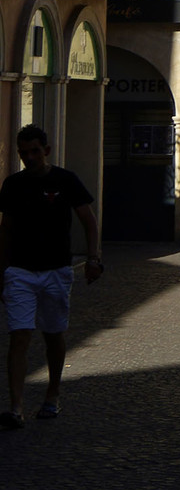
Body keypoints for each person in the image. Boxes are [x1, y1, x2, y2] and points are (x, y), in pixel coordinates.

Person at [1, 124, 103, 429]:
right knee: (19, 335)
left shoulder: (65, 180)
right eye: (23, 153)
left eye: (34, 151)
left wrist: (93, 258)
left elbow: (88, 220)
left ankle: (52, 394)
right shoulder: (13, 184)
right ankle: (16, 407)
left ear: (46, 150)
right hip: (19, 270)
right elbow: (5, 228)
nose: (29, 157)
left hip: (56, 269)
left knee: (53, 334)